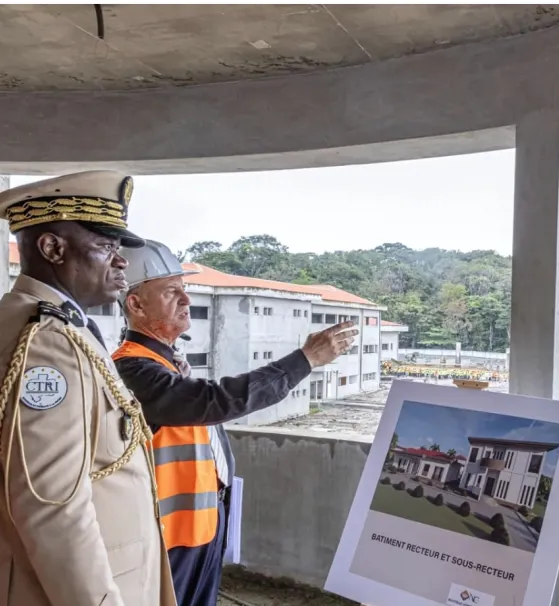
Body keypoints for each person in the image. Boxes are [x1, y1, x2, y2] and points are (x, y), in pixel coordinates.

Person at [111, 240, 357, 606]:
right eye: (171, 291)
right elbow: (217, 400)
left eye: (185, 289)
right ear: (135, 304)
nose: (185, 299)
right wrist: (304, 360)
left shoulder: (167, 364)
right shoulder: (132, 368)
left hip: (200, 525)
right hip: (166, 538)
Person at [0, 172, 176, 606]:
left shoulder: (46, 322)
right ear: (52, 248)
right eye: (105, 247)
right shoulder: (48, 341)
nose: (120, 263)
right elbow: (50, 505)